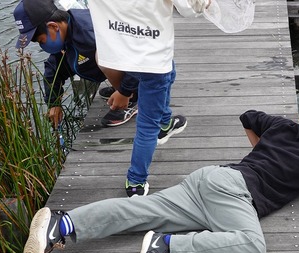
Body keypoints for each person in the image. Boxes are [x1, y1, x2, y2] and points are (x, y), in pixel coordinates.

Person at [22, 92, 299, 253]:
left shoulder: (280, 126)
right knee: (252, 247)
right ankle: (166, 246)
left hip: (211, 178)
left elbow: (248, 116)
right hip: (236, 196)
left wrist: (260, 151)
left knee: (140, 210)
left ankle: (63, 223)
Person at [86, 0, 209, 197]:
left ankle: (165, 122)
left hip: (119, 51)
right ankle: (136, 181)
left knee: (170, 72)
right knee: (147, 126)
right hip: (152, 57)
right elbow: (190, 8)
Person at [14, 0, 139, 128]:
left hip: (147, 69)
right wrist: (53, 103)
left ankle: (134, 98)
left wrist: (125, 91)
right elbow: (53, 69)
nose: (42, 45)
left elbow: (138, 56)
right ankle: (124, 87)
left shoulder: (91, 31)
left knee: (101, 55)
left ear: (53, 26)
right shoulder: (66, 31)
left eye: (41, 40)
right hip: (131, 67)